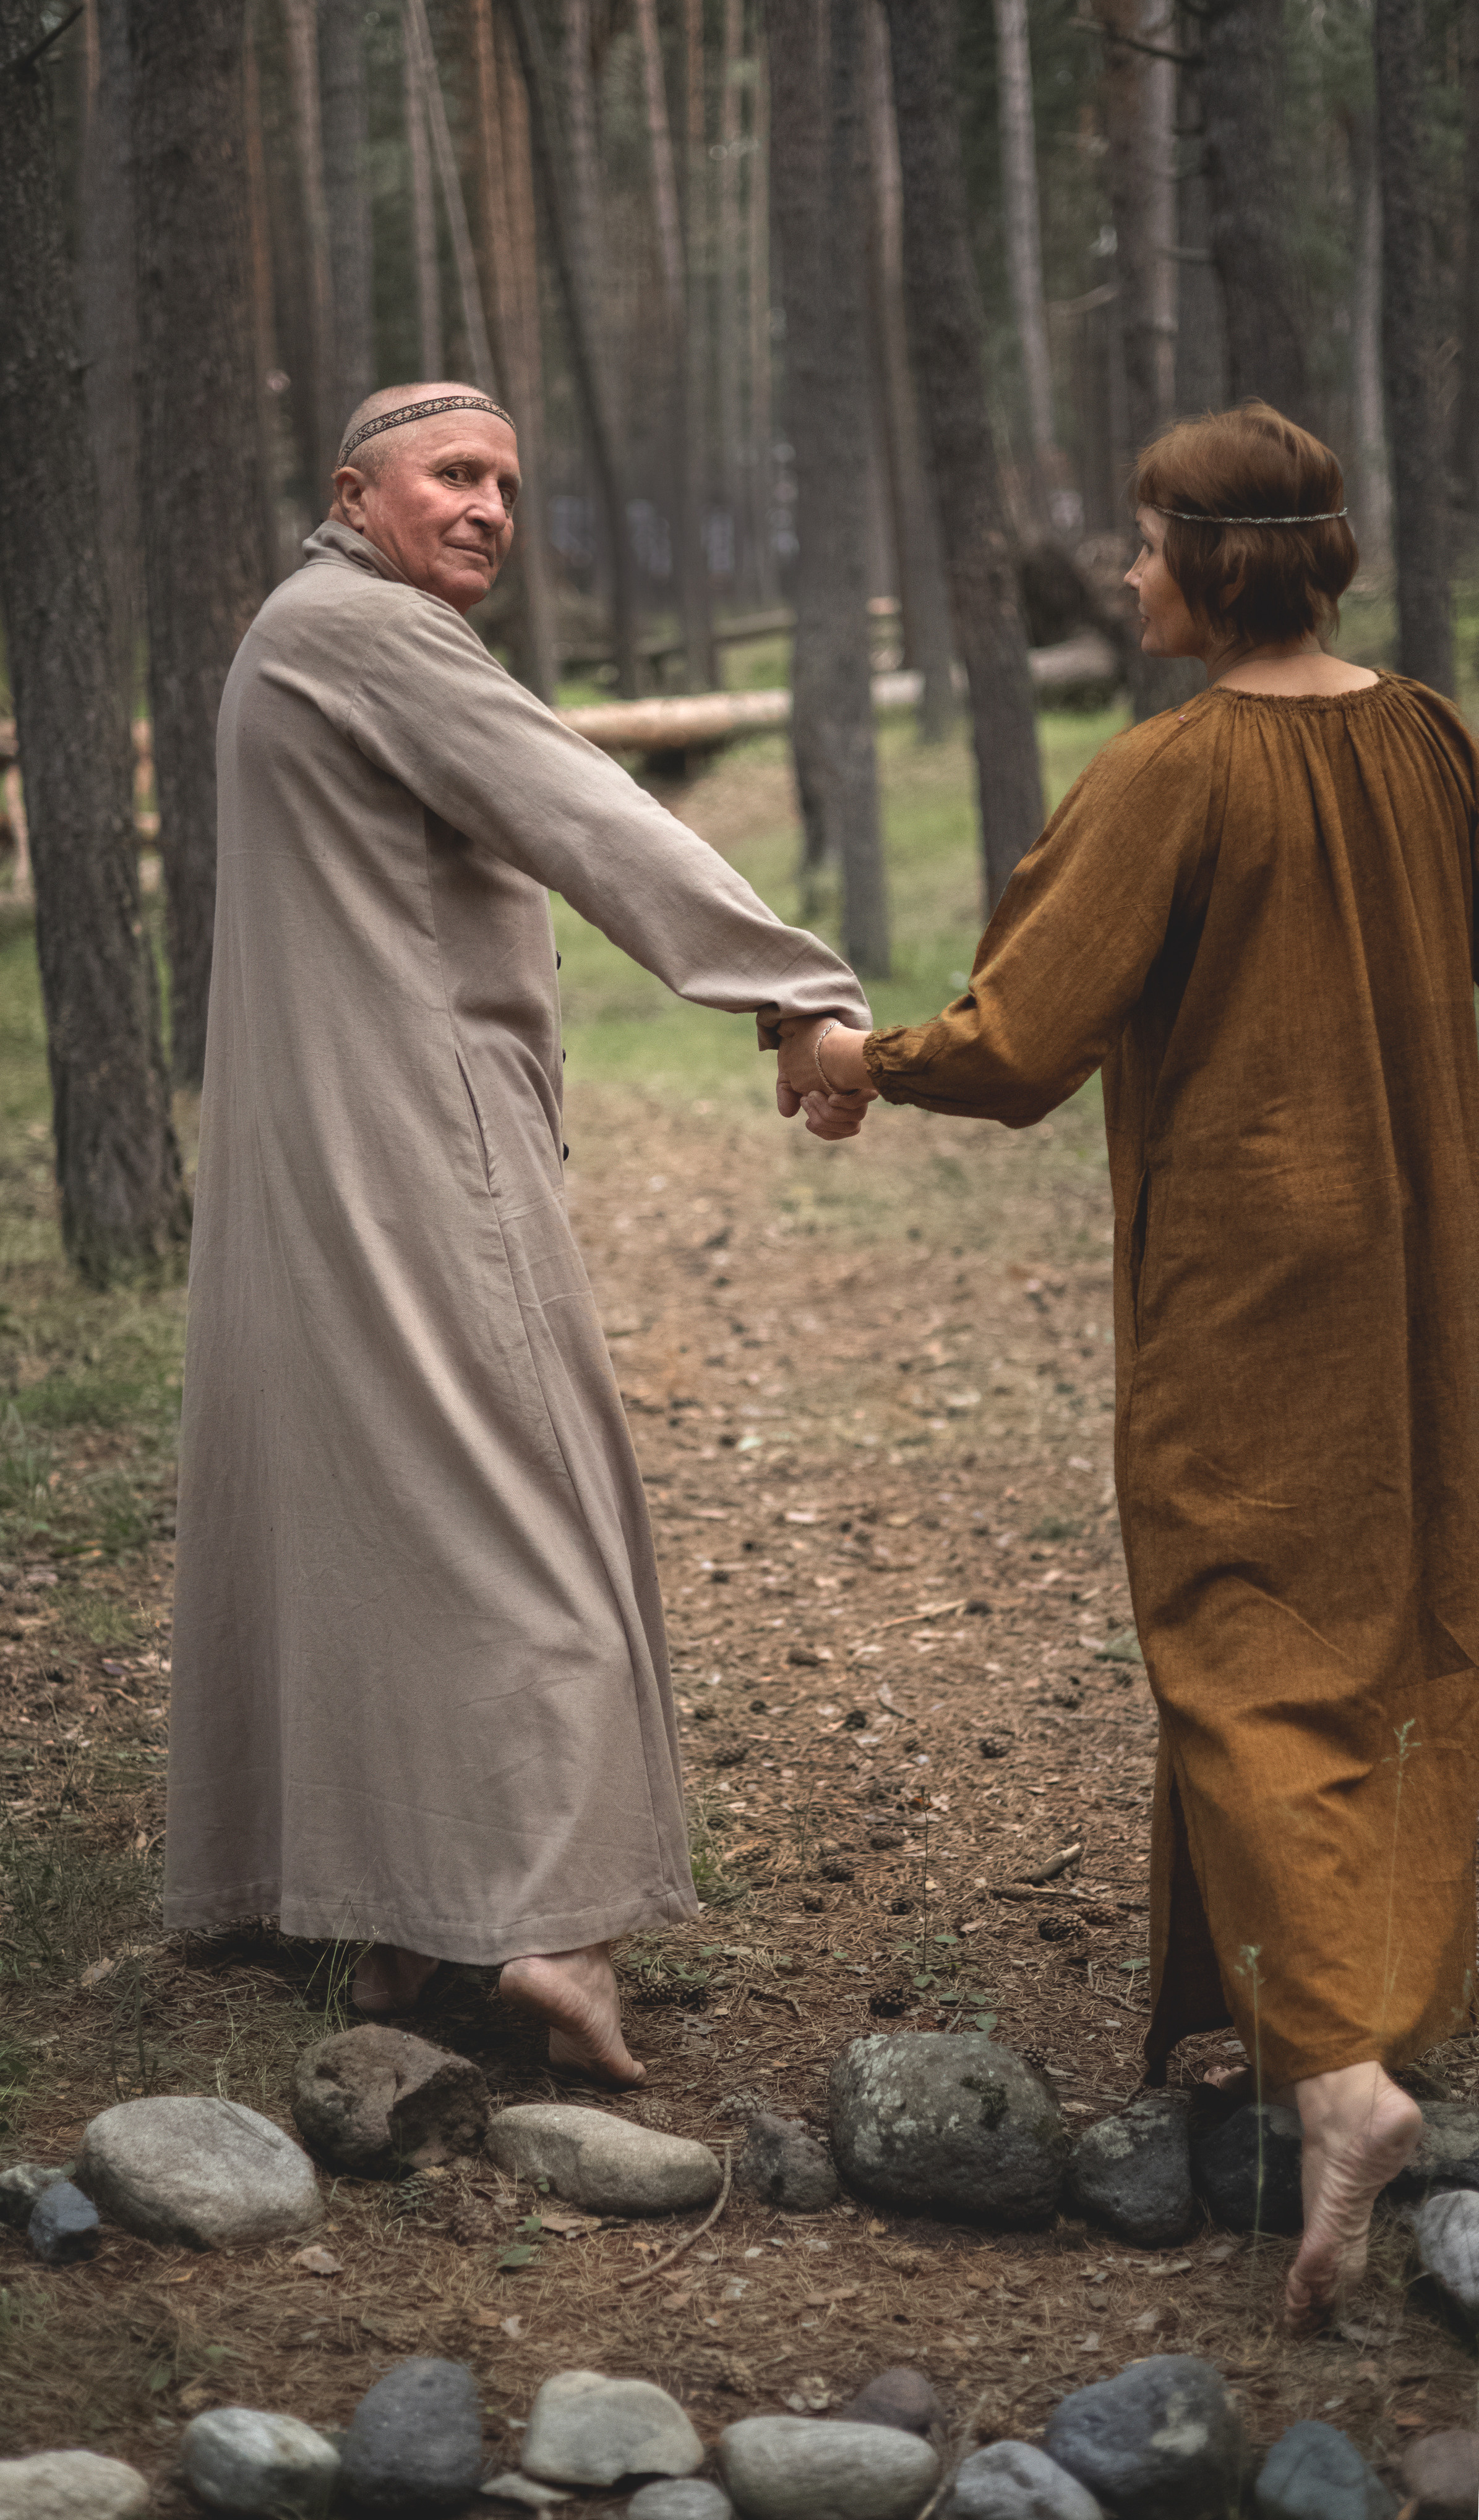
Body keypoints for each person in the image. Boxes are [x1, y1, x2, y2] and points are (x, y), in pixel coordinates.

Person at [778, 401, 1479, 2324]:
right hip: (1422, 1254)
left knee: (1234, 1624)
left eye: (1149, 540)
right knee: (1392, 1603)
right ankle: (1272, 2019)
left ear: (1224, 559)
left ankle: (1340, 2078)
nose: (1127, 568)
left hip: (1253, 1270)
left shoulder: (1177, 771)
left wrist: (861, 1060)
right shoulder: (1424, 732)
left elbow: (1021, 1038)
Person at [163, 382, 869, 2086]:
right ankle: (551, 1926)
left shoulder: (300, 628)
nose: (489, 505)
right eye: (453, 476)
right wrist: (792, 984)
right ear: (358, 490)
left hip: (309, 1155)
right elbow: (582, 810)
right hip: (418, 1143)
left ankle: (396, 1919)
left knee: (373, 1521)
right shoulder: (379, 636)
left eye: (506, 482)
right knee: (526, 1505)